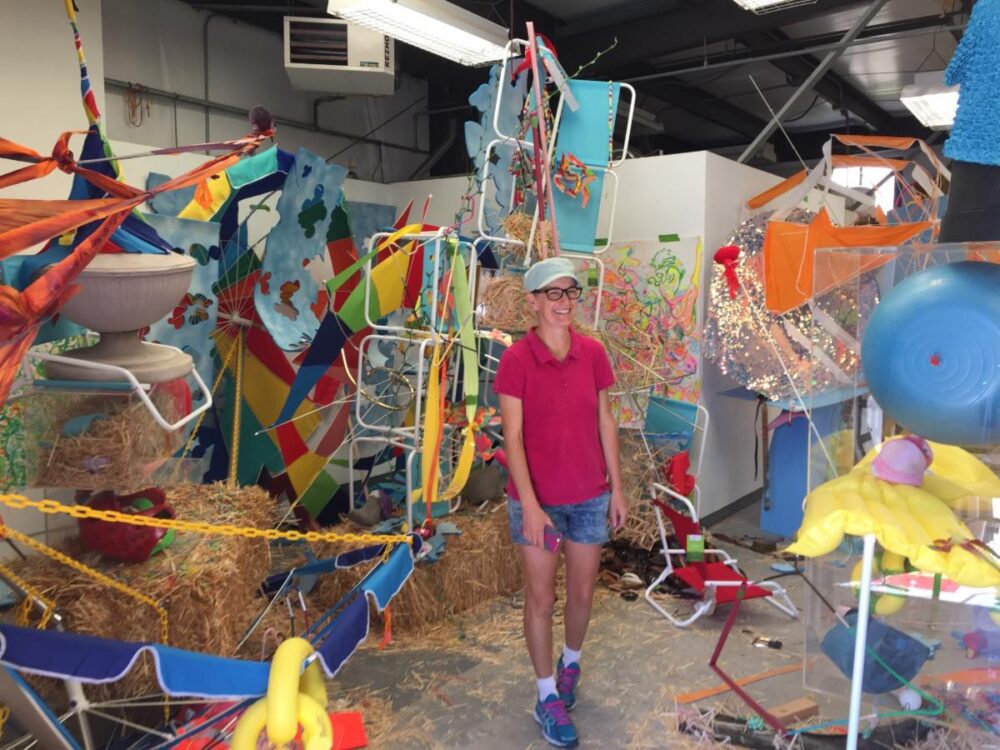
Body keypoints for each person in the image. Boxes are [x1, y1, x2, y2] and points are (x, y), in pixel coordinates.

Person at [493, 256, 626, 748]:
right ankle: (546, 694)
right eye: (554, 293)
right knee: (542, 598)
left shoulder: (593, 353)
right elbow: (513, 436)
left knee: (584, 593)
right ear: (532, 302)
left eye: (571, 292)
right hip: (539, 502)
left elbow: (606, 423)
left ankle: (572, 663)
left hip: (590, 496)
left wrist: (617, 485)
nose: (565, 302)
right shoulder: (516, 361)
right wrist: (529, 504)